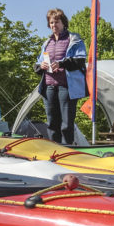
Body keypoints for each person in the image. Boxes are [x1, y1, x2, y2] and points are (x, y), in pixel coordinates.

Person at [34, 8, 86, 144]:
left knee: (67, 124)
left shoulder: (74, 39)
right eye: (51, 23)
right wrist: (41, 67)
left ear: (63, 23)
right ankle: (54, 151)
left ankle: (68, 149)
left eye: (56, 22)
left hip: (67, 86)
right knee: (52, 123)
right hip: (49, 86)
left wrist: (62, 63)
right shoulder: (47, 43)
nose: (53, 25)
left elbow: (80, 60)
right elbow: (37, 65)